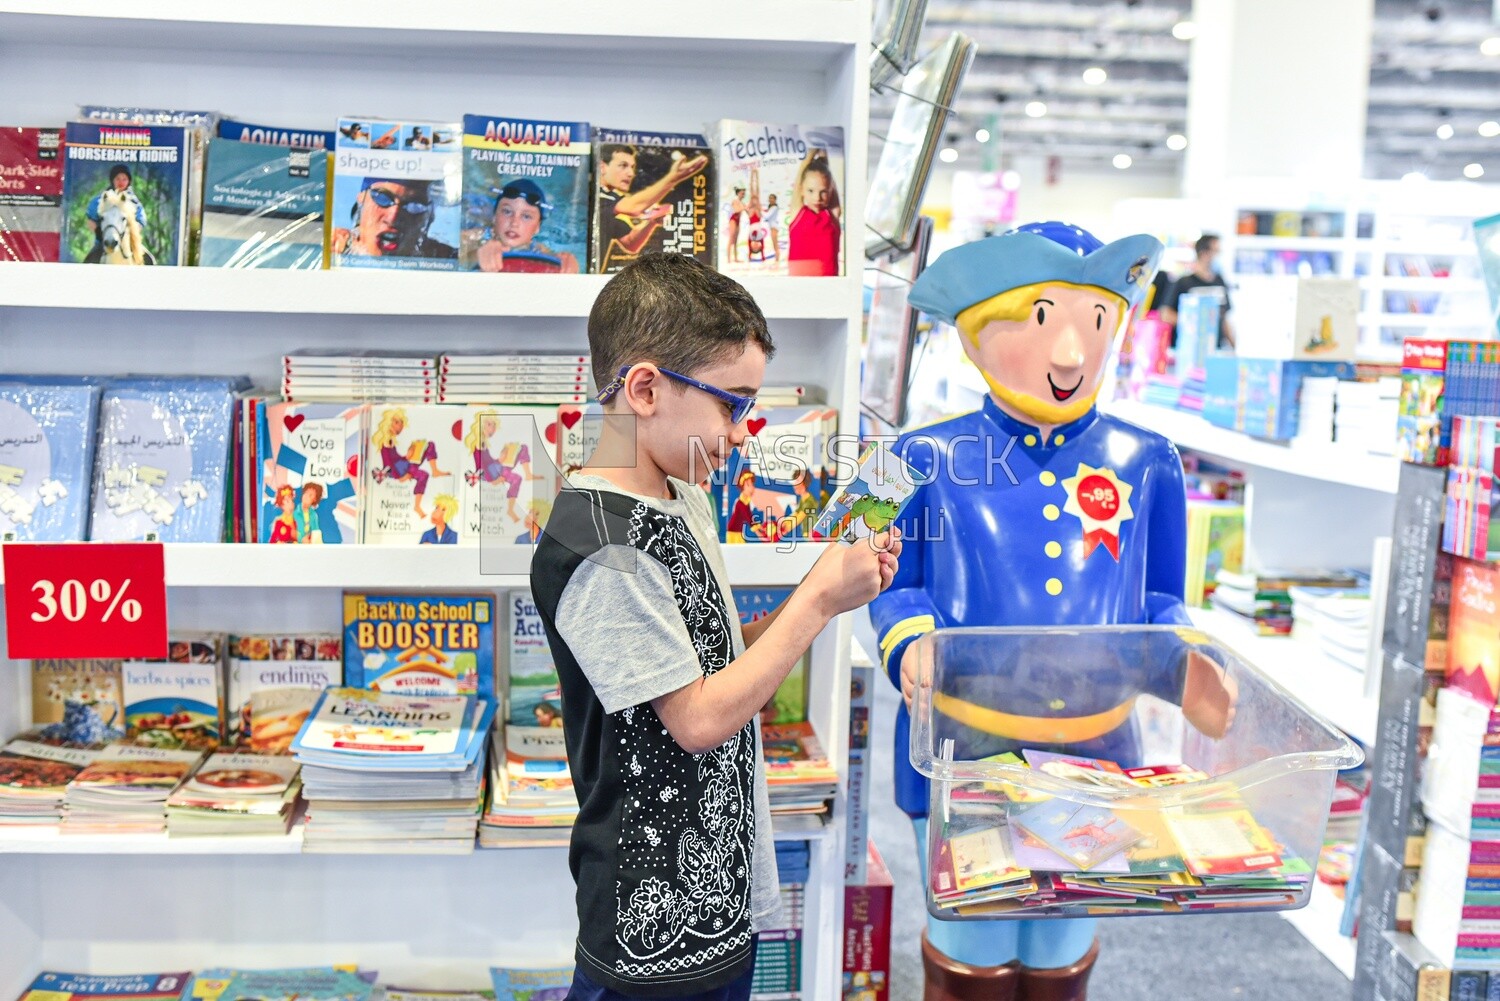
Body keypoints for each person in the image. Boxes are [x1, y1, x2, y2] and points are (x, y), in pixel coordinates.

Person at [869, 222, 1238, 1000]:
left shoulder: (1149, 460)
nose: (1071, 352)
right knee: (973, 938)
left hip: (1096, 751)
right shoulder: (920, 457)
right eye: (1043, 320)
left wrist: (1186, 662)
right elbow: (896, 584)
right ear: (976, 335)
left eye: (1095, 321)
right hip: (960, 750)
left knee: (1061, 942)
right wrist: (911, 645)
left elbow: (1159, 596)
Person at [530, 253, 898, 1001]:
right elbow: (696, 719)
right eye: (731, 404)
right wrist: (817, 602)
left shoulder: (680, 497)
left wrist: (825, 590)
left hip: (719, 903)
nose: (742, 432)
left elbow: (713, 662)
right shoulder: (600, 545)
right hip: (647, 930)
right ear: (644, 388)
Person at [596, 143, 709, 269]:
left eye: (632, 167)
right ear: (602, 167)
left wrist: (652, 222)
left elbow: (631, 243)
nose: (630, 173)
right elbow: (633, 207)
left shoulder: (612, 198)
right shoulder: (597, 196)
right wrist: (674, 177)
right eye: (623, 166)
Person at [331, 177, 456, 261]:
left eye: (414, 206)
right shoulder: (334, 248)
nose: (393, 217)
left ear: (430, 216)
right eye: (382, 198)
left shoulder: (445, 258)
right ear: (361, 198)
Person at [474, 179, 580, 274]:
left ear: (537, 227)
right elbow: (461, 251)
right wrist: (476, 254)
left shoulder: (538, 248)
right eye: (507, 211)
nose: (514, 223)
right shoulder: (477, 235)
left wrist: (567, 261)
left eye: (526, 216)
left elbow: (556, 257)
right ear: (494, 217)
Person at [372, 407, 450, 517]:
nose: (400, 426)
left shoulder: (391, 439)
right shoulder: (386, 440)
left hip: (402, 465)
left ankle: (435, 471)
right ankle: (417, 506)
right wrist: (400, 477)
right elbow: (388, 462)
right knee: (423, 475)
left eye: (401, 423)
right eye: (397, 422)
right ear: (389, 423)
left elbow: (395, 457)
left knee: (429, 445)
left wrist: (407, 456)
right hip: (398, 470)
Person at [1161, 233, 1235, 349]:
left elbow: (1224, 318)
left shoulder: (1220, 281)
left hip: (1215, 349)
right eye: (1216, 251)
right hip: (1189, 348)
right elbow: (1165, 314)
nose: (1218, 256)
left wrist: (1233, 346)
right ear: (1204, 253)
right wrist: (1193, 323)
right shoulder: (1183, 282)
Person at [786, 152, 841, 277]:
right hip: (797, 287)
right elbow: (800, 178)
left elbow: (829, 183)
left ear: (830, 191)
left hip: (829, 287)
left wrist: (826, 161)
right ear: (801, 189)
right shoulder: (797, 213)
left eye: (823, 192)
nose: (817, 197)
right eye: (811, 190)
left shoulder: (832, 215)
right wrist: (810, 154)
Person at [84, 164, 148, 264]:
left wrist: (133, 232)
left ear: (129, 181)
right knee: (89, 260)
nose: (121, 182)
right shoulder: (101, 199)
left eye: (124, 179)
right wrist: (99, 232)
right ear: (112, 180)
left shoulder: (134, 201)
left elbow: (141, 219)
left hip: (129, 241)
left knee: (149, 259)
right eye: (118, 178)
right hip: (104, 241)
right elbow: (90, 218)